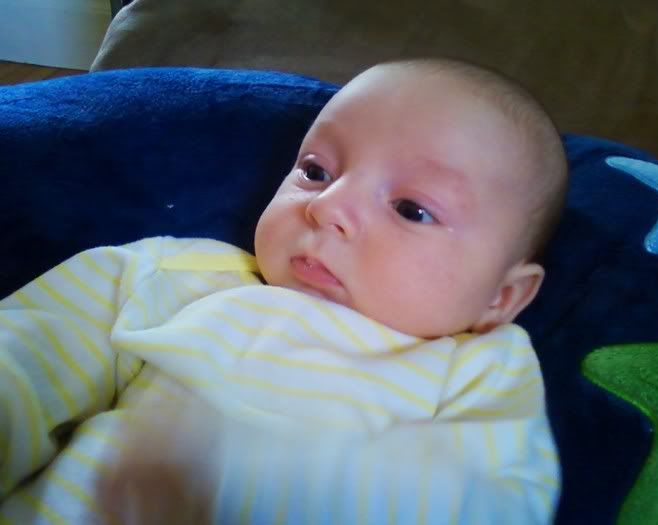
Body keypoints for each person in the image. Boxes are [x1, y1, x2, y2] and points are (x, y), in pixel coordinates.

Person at [0, 58, 567, 524]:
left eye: (411, 209)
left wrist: (248, 479)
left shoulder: (480, 368)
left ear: (500, 297)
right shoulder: (183, 272)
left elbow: (491, 506)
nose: (327, 207)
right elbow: (34, 350)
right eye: (316, 172)